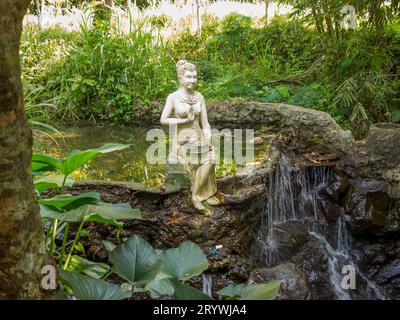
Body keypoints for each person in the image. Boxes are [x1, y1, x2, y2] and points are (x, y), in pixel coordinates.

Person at [160, 60, 217, 211]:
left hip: (200, 139)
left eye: (195, 77)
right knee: (193, 157)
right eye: (189, 77)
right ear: (180, 78)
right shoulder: (173, 97)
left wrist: (209, 137)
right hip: (182, 141)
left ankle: (195, 194)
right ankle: (197, 196)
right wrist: (184, 119)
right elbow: (163, 119)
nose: (193, 80)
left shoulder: (200, 97)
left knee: (211, 157)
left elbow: (205, 123)